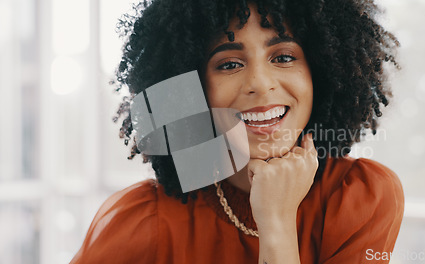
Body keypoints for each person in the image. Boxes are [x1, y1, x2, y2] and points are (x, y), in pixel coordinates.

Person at [71, 0, 404, 263]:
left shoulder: (358, 198)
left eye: (284, 57)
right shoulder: (150, 221)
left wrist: (277, 220)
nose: (259, 84)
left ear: (321, 71)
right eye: (229, 64)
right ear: (196, 87)